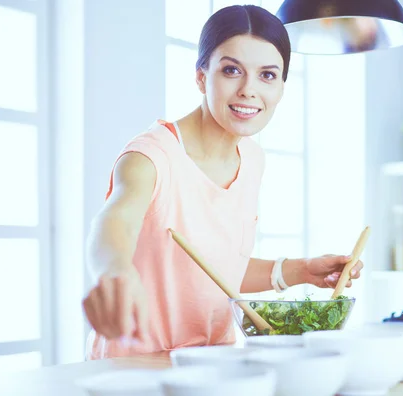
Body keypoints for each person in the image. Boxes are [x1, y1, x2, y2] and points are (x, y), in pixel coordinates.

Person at [82, 5, 364, 360]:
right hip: (136, 369)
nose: (249, 90)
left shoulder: (253, 160)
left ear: (281, 87)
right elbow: (113, 223)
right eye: (231, 70)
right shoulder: (151, 157)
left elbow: (216, 269)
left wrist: (302, 270)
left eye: (267, 75)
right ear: (201, 76)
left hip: (216, 365)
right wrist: (115, 272)